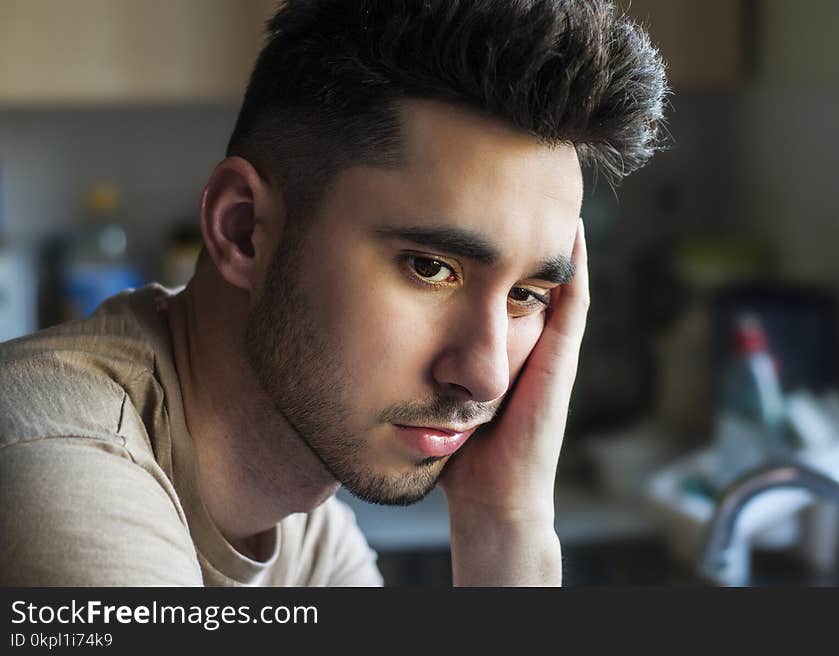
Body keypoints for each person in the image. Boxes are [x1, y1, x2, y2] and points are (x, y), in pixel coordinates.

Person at [0, 0, 668, 586]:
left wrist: (506, 522)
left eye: (527, 294)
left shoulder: (303, 526)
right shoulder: (56, 466)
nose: (486, 374)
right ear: (243, 230)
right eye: (431, 267)